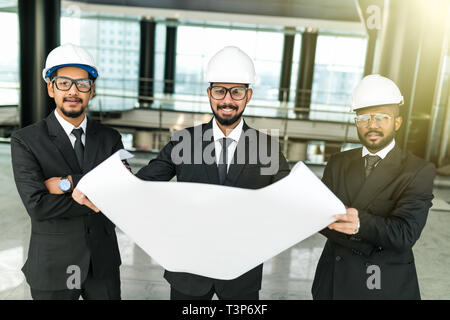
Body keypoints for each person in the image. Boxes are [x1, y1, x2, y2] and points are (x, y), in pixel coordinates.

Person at [71, 46, 289, 300]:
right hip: (190, 272)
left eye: (236, 92)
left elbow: (290, 196)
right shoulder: (184, 141)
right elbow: (143, 182)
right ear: (209, 94)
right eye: (219, 91)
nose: (227, 100)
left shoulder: (267, 147)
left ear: (248, 95)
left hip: (241, 272)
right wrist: (100, 186)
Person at [11, 43, 123, 300]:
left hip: (102, 264)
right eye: (64, 83)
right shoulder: (25, 140)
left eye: (82, 84)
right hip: (54, 264)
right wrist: (99, 192)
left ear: (91, 91)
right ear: (51, 88)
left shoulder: (110, 139)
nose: (73, 91)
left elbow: (121, 195)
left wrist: (66, 183)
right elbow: (37, 205)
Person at [312, 74, 436, 300]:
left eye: (382, 117)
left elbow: (404, 235)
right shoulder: (338, 162)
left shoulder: (418, 171)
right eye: (364, 118)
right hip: (333, 281)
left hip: (383, 284)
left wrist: (358, 223)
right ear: (355, 122)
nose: (372, 125)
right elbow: (321, 219)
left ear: (397, 122)